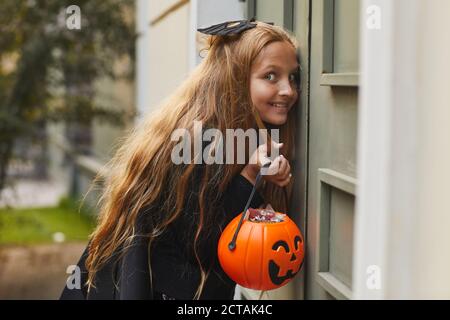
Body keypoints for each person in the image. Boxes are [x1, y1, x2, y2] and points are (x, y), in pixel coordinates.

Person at [60, 20, 300, 300]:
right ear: (235, 78)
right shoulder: (201, 140)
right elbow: (202, 243)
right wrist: (249, 178)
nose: (288, 90)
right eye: (271, 76)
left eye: (292, 77)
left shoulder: (233, 134)